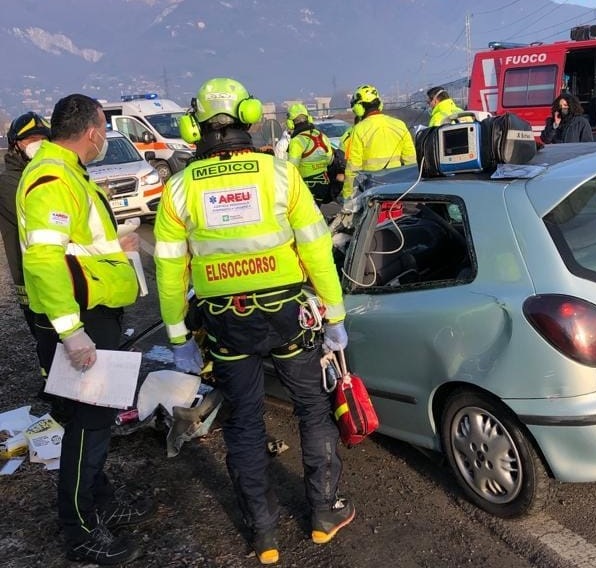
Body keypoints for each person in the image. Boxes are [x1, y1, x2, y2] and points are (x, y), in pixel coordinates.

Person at [154, 77, 354, 565]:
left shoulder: (178, 189)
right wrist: (334, 313)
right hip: (288, 316)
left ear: (192, 125)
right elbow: (316, 250)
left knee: (244, 421)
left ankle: (264, 537)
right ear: (249, 115)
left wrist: (179, 336)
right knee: (311, 408)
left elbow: (168, 271)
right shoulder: (281, 176)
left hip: (226, 324)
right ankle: (323, 515)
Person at [17, 94, 154, 565]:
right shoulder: (53, 179)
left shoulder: (65, 174)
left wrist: (115, 244)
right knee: (87, 424)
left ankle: (98, 503)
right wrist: (72, 332)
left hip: (90, 312)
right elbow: (43, 260)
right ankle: (77, 529)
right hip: (80, 319)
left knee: (92, 419)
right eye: (103, 132)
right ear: (94, 132)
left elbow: (73, 246)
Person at [0, 112, 52, 368]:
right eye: (31, 138)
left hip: (51, 269)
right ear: (16, 144)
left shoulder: (40, 173)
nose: (38, 143)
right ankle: (54, 390)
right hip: (28, 275)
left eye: (43, 138)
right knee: (45, 334)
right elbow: (37, 218)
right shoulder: (9, 182)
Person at [342, 83, 417, 201]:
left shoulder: (359, 129)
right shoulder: (399, 125)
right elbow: (411, 161)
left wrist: (347, 196)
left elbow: (353, 169)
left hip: (372, 189)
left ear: (358, 108)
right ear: (380, 104)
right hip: (399, 186)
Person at [285, 103, 336, 204]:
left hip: (308, 187)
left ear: (290, 123)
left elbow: (292, 167)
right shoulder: (322, 136)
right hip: (325, 185)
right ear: (309, 118)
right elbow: (330, 160)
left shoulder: (297, 140)